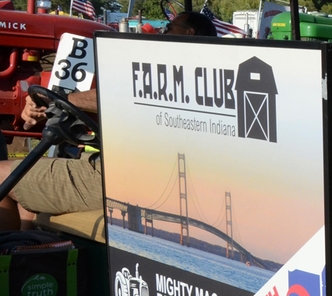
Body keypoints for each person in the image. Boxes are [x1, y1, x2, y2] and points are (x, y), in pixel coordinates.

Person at [0, 12, 218, 230]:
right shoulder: (197, 76)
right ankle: (26, 255)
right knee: (26, 190)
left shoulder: (181, 76)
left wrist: (62, 99)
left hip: (122, 177)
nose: (164, 31)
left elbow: (119, 95)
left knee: (2, 175)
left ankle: (10, 258)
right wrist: (52, 106)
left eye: (170, 27)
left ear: (190, 33)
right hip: (121, 167)